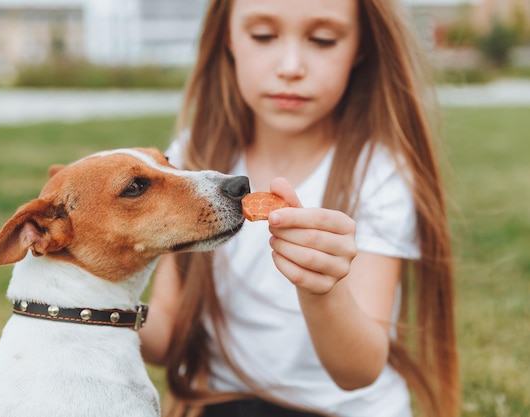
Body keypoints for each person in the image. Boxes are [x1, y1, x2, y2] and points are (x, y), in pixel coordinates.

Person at [140, 0, 460, 416]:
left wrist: (321, 290)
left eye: (323, 40)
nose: (291, 66)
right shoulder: (194, 155)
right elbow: (166, 337)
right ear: (227, 37)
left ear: (361, 46)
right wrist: (102, 304)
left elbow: (358, 371)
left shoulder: (378, 175)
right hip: (225, 403)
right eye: (263, 36)